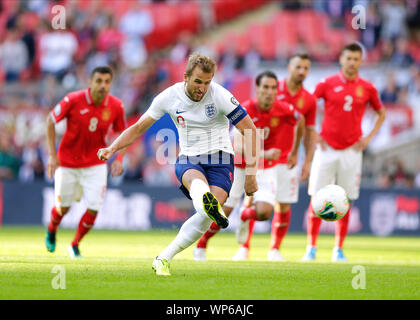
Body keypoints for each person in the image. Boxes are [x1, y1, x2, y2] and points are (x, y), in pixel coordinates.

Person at [97, 53, 259, 276]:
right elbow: (137, 128)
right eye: (198, 81)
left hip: (221, 160)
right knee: (201, 193)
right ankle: (207, 204)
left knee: (205, 217)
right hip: (189, 158)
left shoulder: (220, 95)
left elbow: (249, 129)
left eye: (207, 82)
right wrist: (112, 148)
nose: (202, 88)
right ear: (186, 77)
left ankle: (164, 256)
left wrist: (251, 174)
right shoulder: (168, 97)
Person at [193, 70, 304, 262]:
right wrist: (264, 153)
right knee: (223, 213)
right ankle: (202, 244)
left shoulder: (283, 109)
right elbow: (239, 145)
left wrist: (294, 151)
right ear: (257, 89)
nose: (269, 92)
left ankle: (245, 215)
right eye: (265, 87)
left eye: (273, 88)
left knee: (264, 212)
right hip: (239, 164)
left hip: (264, 166)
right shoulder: (245, 109)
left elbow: (300, 120)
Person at [302, 43, 386, 262]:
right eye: (348, 58)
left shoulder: (367, 87)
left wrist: (368, 138)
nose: (351, 62)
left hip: (352, 151)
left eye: (356, 59)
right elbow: (309, 105)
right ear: (341, 59)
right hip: (326, 148)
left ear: (360, 61)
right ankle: (311, 248)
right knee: (316, 198)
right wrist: (314, 133)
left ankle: (338, 250)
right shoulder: (327, 83)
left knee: (345, 200)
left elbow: (381, 113)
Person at [231, 54, 317, 261]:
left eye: (306, 67)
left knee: (284, 204)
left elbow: (307, 128)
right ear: (289, 67)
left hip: (285, 158)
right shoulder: (272, 89)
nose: (301, 71)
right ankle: (244, 247)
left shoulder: (309, 99)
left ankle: (274, 249)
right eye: (298, 66)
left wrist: (302, 156)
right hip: (263, 158)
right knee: (253, 199)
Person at [45, 66, 126, 258]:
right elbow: (50, 120)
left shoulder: (116, 106)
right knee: (63, 208)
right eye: (99, 81)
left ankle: (74, 244)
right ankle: (52, 229)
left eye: (107, 82)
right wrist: (51, 155)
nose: (103, 86)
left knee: (94, 207)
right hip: (67, 163)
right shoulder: (72, 100)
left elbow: (123, 134)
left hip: (96, 164)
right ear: (90, 82)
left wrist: (119, 158)